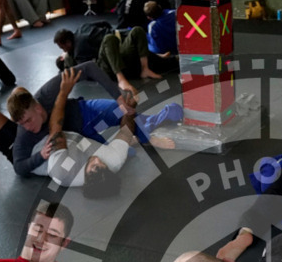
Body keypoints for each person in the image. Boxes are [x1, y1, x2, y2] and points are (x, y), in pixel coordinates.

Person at [43, 67, 180, 190]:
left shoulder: (63, 171)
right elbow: (126, 131)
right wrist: (130, 109)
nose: (97, 160)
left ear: (86, 180)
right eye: (102, 164)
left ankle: (142, 136)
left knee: (116, 113)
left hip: (62, 133)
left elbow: (55, 128)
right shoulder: (112, 162)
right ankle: (143, 138)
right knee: (125, 139)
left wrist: (63, 92)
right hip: (86, 136)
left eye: (94, 166)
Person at [6, 60, 130, 176]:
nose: (27, 127)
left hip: (84, 113)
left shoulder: (47, 94)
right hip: (82, 140)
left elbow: (89, 67)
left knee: (125, 110)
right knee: (118, 158)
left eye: (28, 120)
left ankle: (147, 132)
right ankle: (131, 140)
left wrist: (118, 97)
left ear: (38, 108)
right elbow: (18, 167)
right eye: (22, 124)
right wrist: (41, 155)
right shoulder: (24, 134)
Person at [144, 1, 180, 71]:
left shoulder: (152, 26)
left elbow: (157, 46)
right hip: (182, 45)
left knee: (147, 43)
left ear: (149, 17)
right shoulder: (175, 13)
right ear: (160, 7)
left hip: (167, 50)